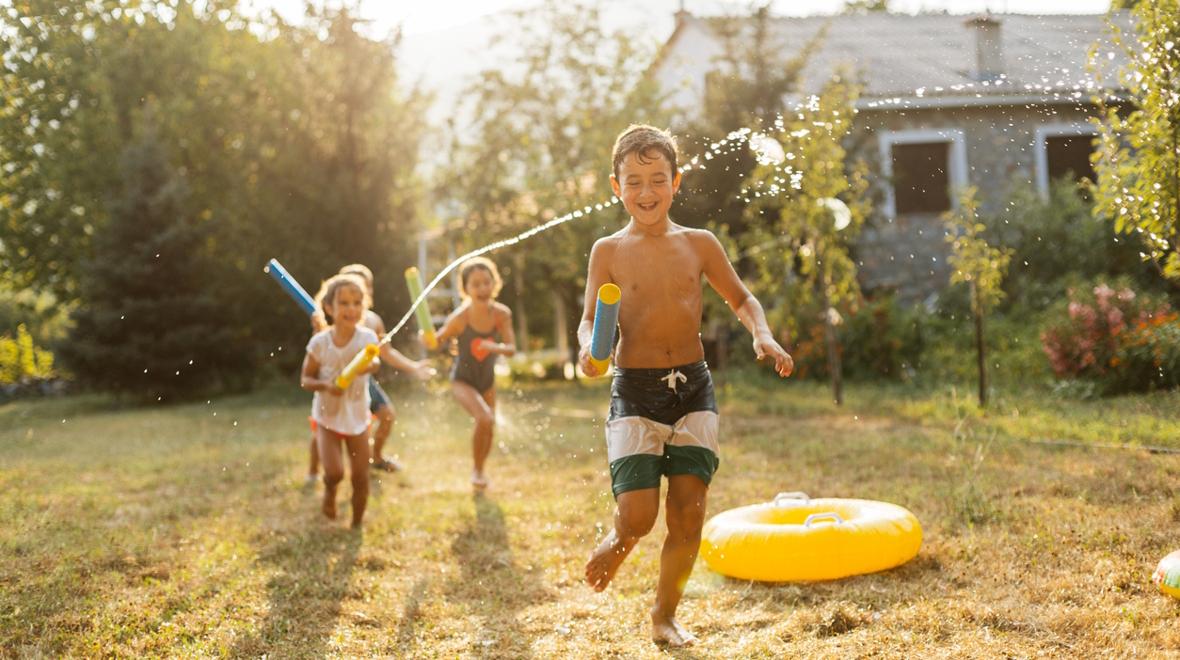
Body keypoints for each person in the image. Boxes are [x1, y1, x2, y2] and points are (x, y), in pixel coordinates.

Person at [578, 124, 794, 647]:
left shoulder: (699, 244)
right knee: (640, 515)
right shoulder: (607, 250)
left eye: (657, 179)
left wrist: (761, 334)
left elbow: (742, 300)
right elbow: (589, 320)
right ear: (615, 187)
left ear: (678, 181)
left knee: (688, 512)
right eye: (634, 182)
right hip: (634, 390)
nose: (646, 192)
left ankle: (664, 613)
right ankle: (620, 535)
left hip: (693, 389)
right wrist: (588, 351)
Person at [302, 273, 432, 527]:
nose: (352, 308)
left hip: (358, 418)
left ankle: (357, 525)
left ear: (365, 305)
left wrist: (363, 366)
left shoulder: (367, 338)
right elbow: (305, 380)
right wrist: (326, 385)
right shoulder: (319, 342)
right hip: (327, 417)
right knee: (335, 472)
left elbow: (374, 361)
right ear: (329, 308)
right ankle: (329, 492)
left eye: (357, 302)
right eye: (344, 303)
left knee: (361, 477)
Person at [431, 257, 516, 491]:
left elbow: (511, 349)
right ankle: (476, 471)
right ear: (465, 289)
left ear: (494, 283)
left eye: (487, 282)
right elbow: (436, 340)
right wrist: (426, 337)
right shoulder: (460, 318)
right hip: (463, 380)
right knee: (484, 417)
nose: (482, 289)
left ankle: (481, 468)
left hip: (486, 380)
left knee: (489, 427)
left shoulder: (501, 314)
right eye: (476, 284)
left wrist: (494, 348)